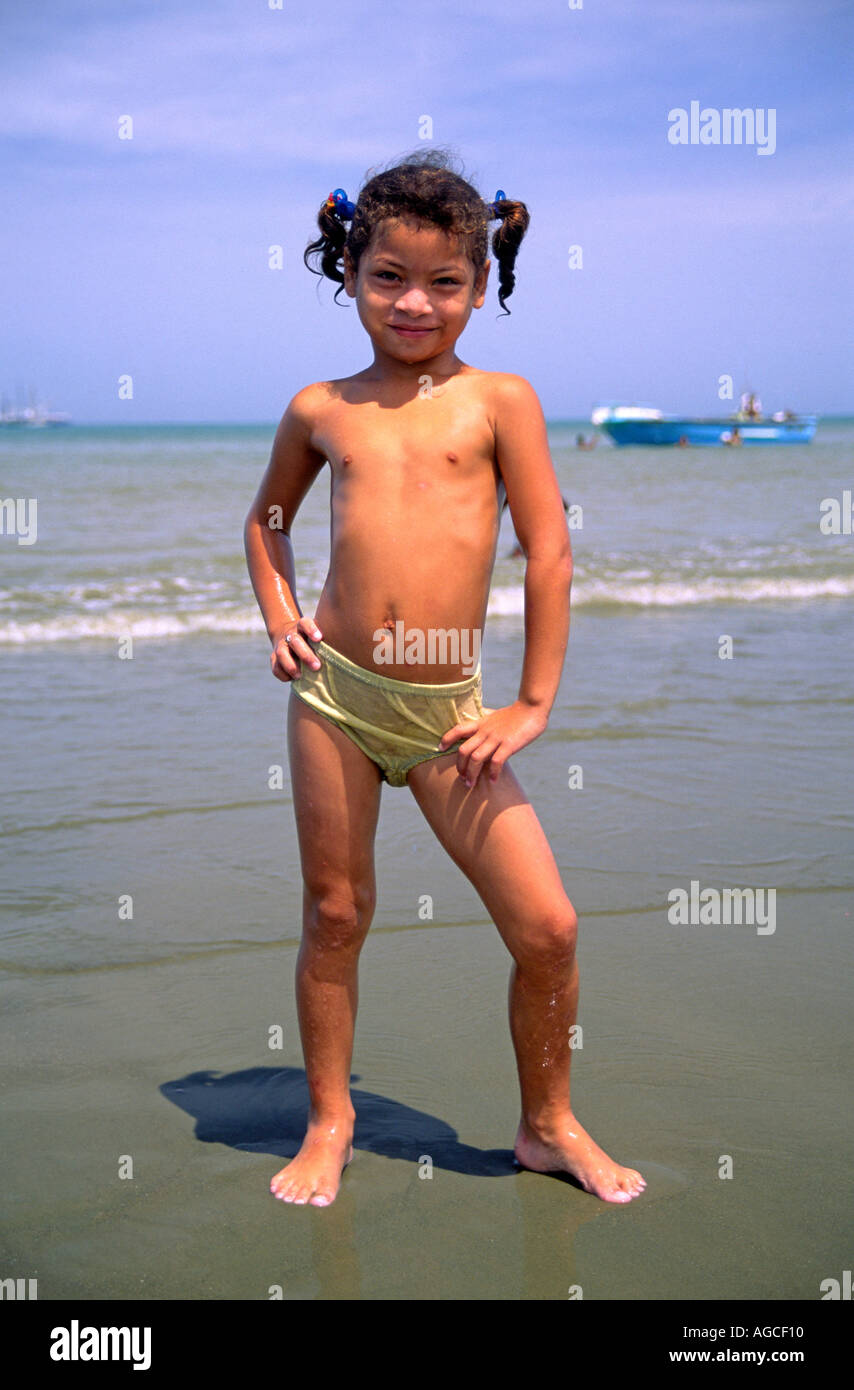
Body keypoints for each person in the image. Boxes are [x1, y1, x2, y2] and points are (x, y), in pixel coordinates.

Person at [244, 148, 646, 1208]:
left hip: (446, 716)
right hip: (333, 697)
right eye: (387, 276)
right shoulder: (320, 407)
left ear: (482, 282)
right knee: (335, 913)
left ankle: (546, 1121)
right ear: (349, 272)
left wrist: (531, 702)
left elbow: (549, 551)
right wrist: (280, 616)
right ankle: (329, 1119)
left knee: (547, 927)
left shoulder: (500, 401)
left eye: (443, 282)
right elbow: (266, 521)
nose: (413, 303)